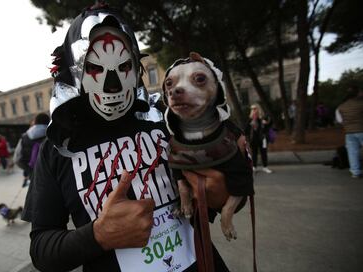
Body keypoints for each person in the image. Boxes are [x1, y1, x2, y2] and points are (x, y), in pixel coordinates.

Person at [23, 4, 232, 272]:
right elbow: (42, 250)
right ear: (76, 71)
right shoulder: (59, 147)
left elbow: (212, 200)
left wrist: (216, 196)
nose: (113, 84)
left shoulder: (166, 120)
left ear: (136, 66)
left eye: (123, 66)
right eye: (96, 68)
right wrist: (98, 235)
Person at [14, 113, 50, 187]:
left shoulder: (24, 137)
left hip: (34, 176)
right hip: (52, 176)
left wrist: (30, 170)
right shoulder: (52, 134)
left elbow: (17, 159)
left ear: (35, 122)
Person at [336, 85, 363, 178]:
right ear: (357, 94)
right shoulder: (361, 104)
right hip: (361, 129)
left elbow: (339, 120)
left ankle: (355, 172)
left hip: (349, 132)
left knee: (352, 152)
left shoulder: (341, 107)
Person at [246, 103, 273, 173]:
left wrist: (266, 123)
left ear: (258, 109)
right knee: (254, 154)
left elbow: (269, 126)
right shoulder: (250, 119)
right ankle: (254, 167)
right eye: (252, 109)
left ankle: (265, 167)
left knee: (263, 153)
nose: (253, 110)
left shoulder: (263, 118)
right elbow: (246, 130)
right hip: (253, 140)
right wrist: (250, 124)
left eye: (255, 109)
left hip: (262, 139)